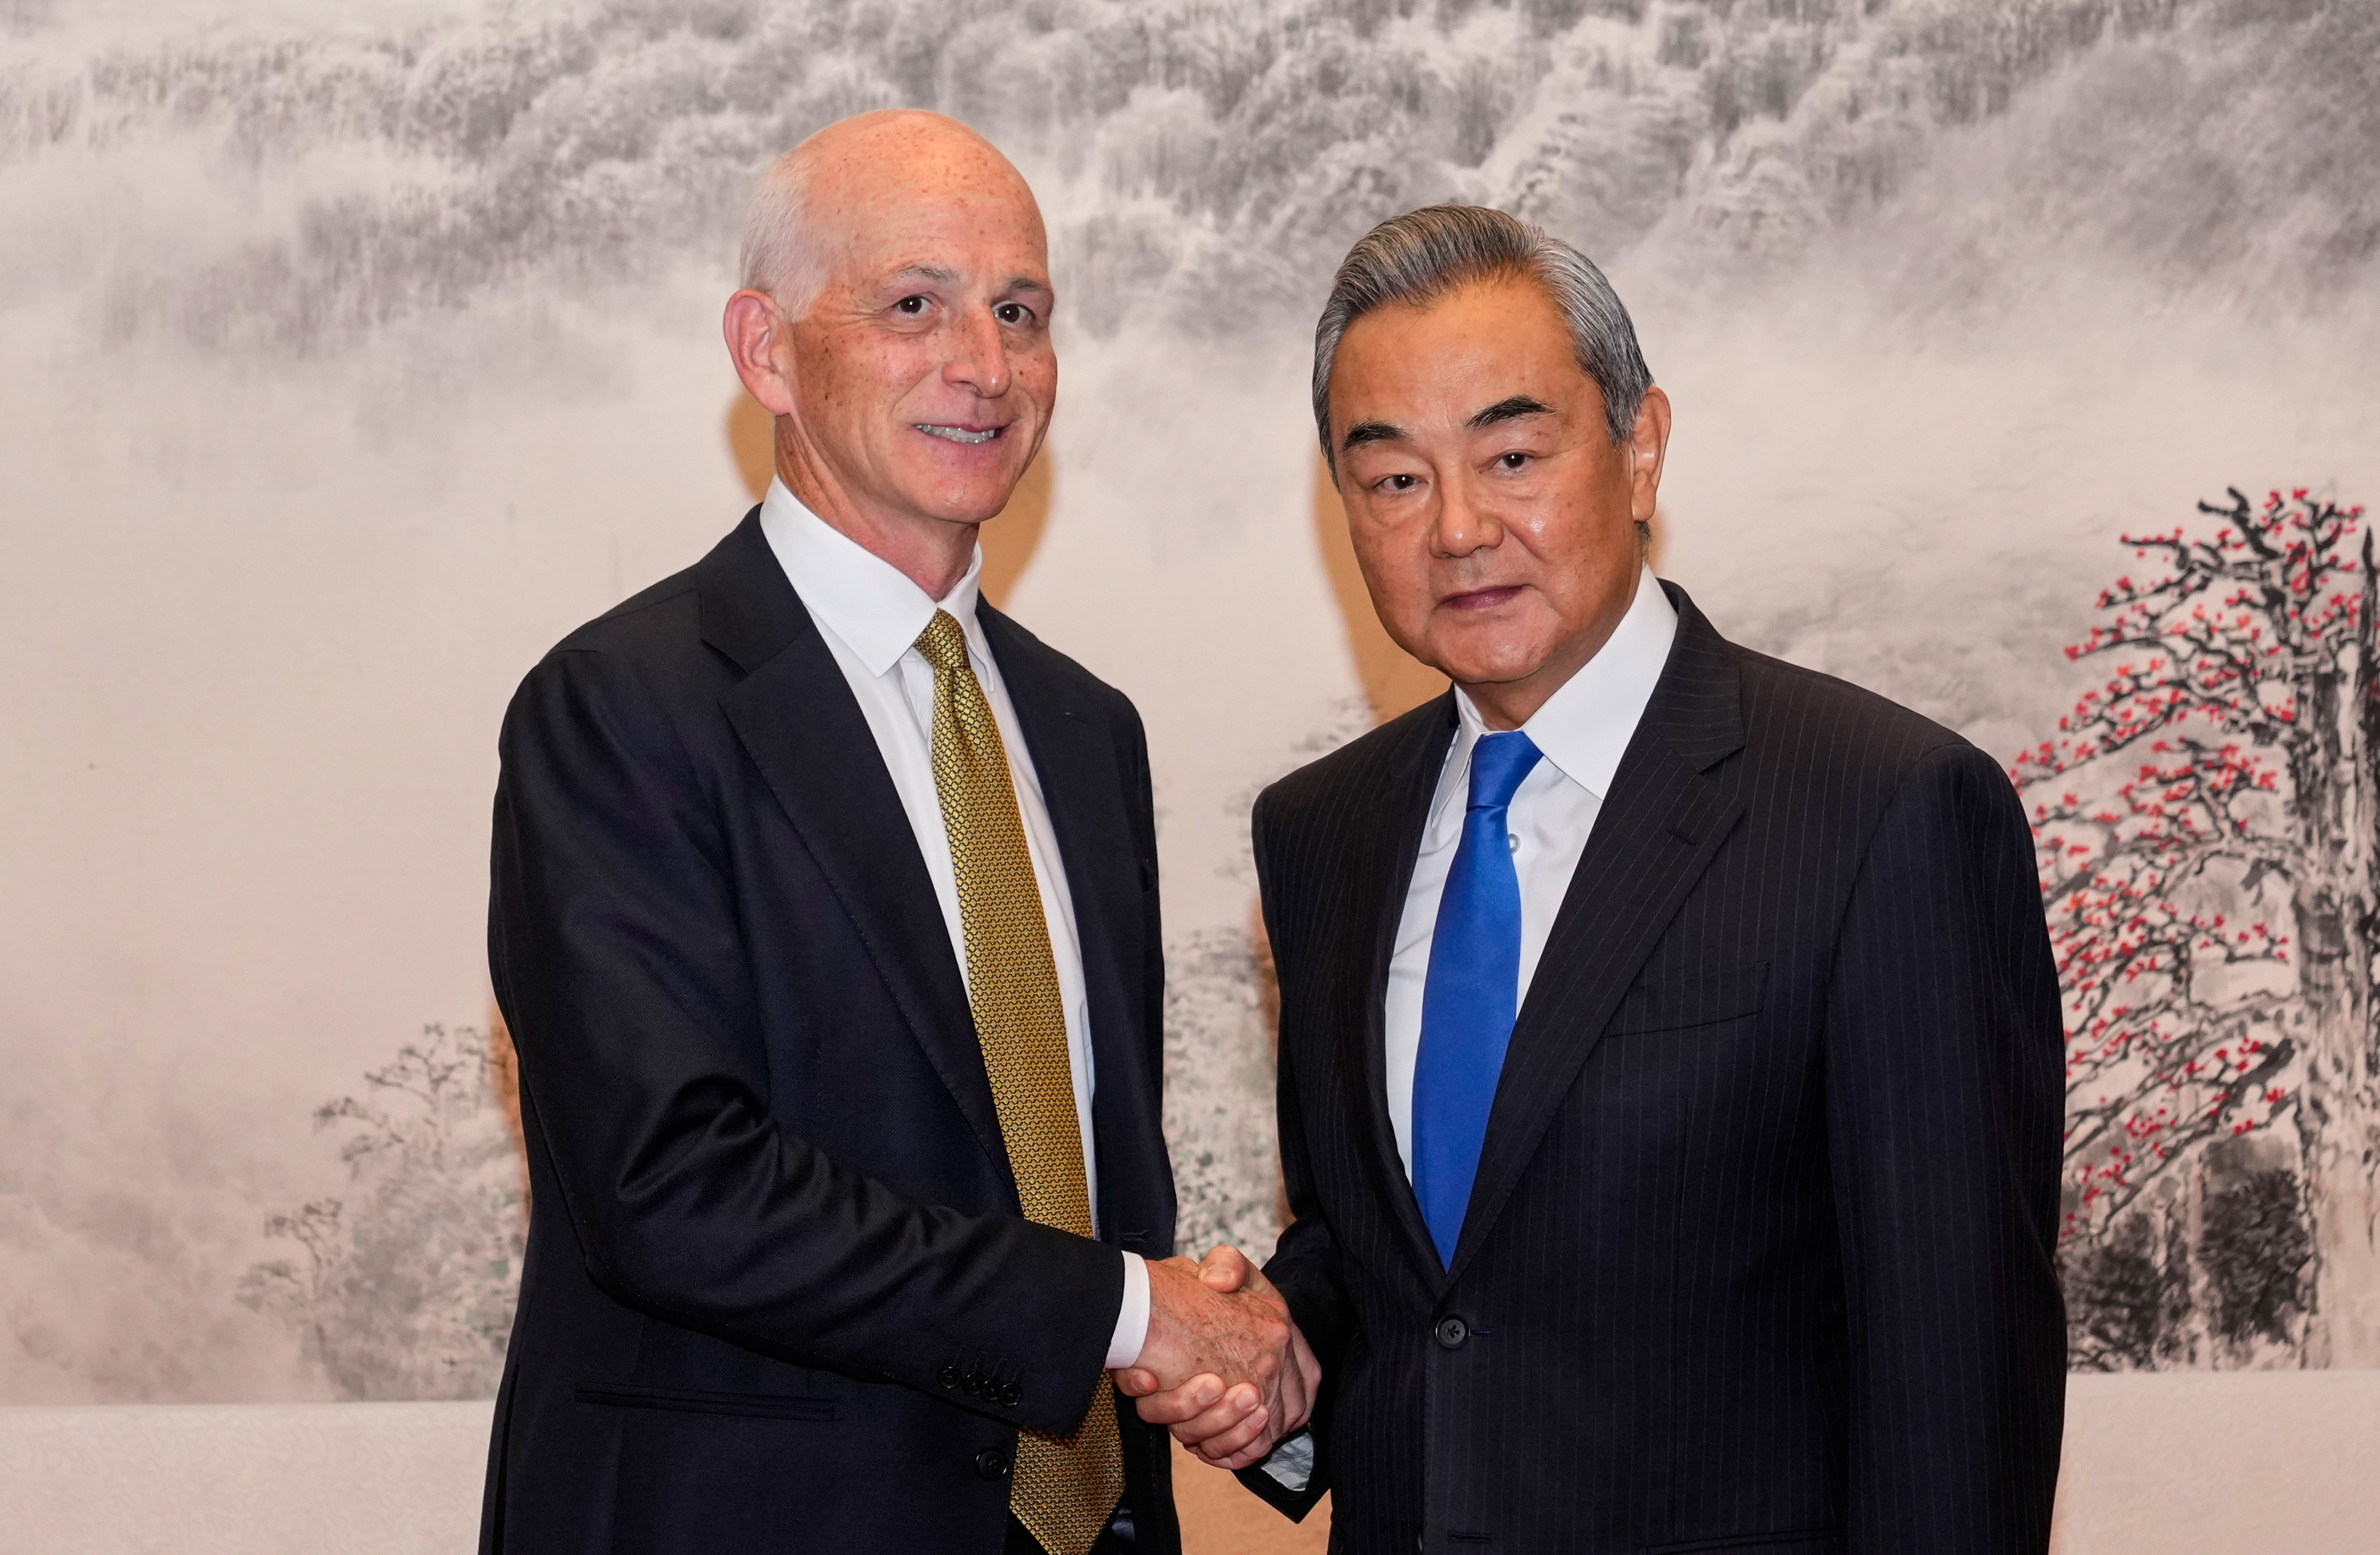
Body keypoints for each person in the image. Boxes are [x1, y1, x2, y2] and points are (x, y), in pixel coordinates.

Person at [1126, 205, 2068, 1552]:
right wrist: (1279, 1347)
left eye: (1511, 456)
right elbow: (1403, 1258)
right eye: (1392, 480)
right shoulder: (1320, 833)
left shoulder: (1882, 810)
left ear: (1639, 449)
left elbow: (1953, 1383)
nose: (1457, 529)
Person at [478, 110, 1310, 1555]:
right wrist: (1130, 1313)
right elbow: (672, 1189)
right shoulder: (622, 707)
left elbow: (1084, 1182)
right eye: (914, 305)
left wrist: (1227, 1366)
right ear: (766, 351)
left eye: (1019, 312)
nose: (983, 365)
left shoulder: (1085, 731)